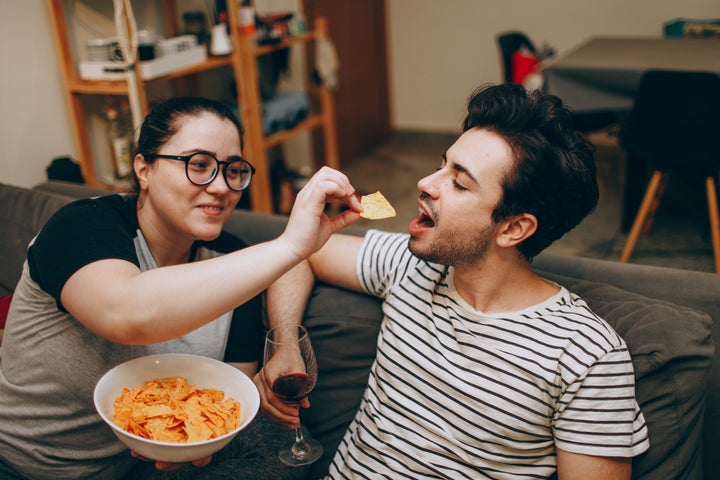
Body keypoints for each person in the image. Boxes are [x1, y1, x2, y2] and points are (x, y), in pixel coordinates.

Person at [256, 84, 651, 479]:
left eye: (459, 183)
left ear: (513, 228)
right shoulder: (409, 264)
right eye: (442, 164)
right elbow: (299, 253)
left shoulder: (587, 356)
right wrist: (286, 345)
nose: (426, 183)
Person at [0, 97, 361, 480]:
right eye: (199, 164)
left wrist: (204, 440)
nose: (222, 187)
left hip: (137, 468)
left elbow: (227, 391)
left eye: (234, 170)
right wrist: (289, 245)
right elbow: (126, 312)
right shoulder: (82, 226)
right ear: (144, 169)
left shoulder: (232, 261)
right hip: (19, 465)